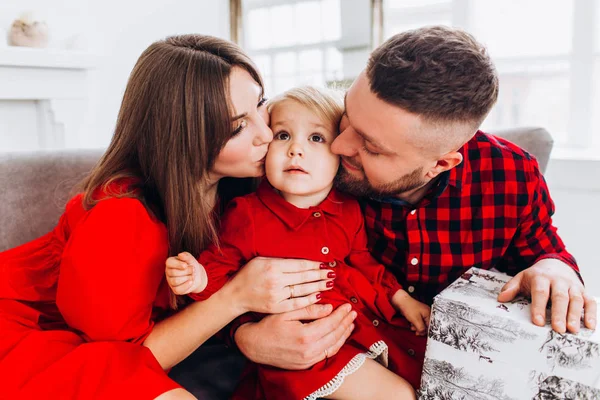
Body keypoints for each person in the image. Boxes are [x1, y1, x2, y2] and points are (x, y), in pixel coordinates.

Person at [227, 25, 597, 390]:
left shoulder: (511, 177)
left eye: (369, 146)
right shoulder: (307, 169)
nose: (340, 145)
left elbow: (544, 252)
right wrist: (245, 336)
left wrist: (554, 268)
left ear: (440, 164)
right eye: (348, 117)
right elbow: (235, 261)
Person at [0, 34, 355, 399]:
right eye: (237, 126)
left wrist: (247, 333)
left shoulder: (254, 180)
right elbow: (127, 360)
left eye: (260, 104)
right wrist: (236, 297)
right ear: (183, 138)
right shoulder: (121, 219)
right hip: (33, 338)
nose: (266, 134)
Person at [166, 86, 430, 399]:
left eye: (316, 138)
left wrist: (400, 297)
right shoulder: (248, 214)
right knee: (396, 396)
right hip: (300, 342)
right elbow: (219, 269)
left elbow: (363, 259)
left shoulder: (348, 206)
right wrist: (196, 276)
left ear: (341, 154)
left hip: (359, 324)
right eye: (283, 135)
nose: (295, 150)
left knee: (424, 374)